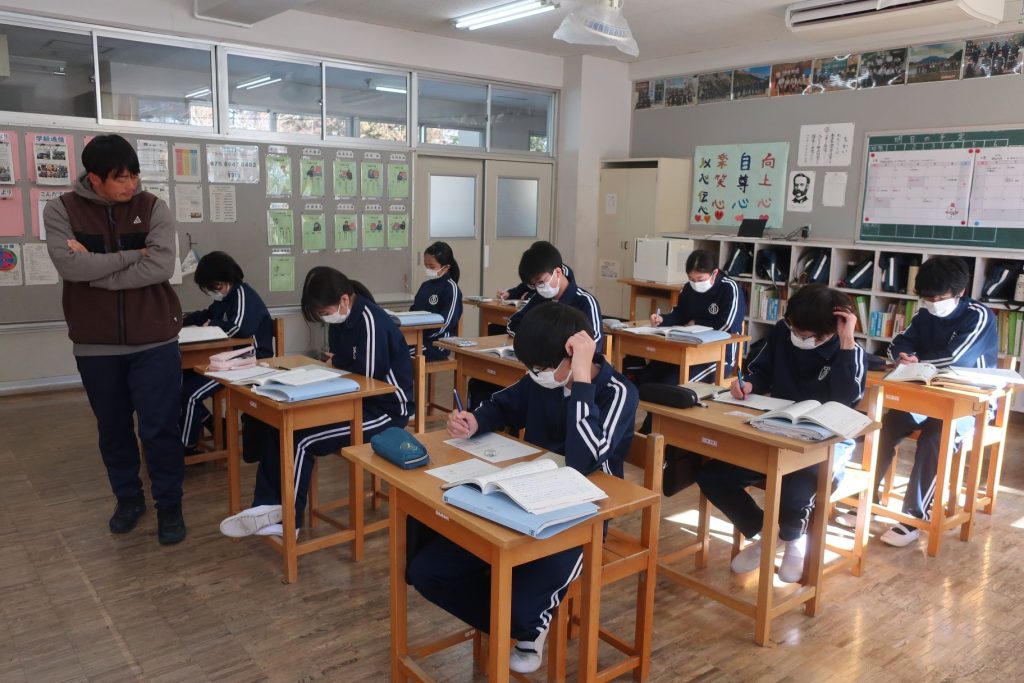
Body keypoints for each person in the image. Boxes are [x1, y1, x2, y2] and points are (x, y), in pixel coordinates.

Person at [406, 303, 638, 674]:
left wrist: (581, 381)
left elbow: (583, 461)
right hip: (520, 498)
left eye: (543, 368)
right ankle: (521, 617)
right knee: (425, 571)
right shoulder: (540, 379)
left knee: (518, 605)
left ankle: (527, 619)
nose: (536, 375)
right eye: (531, 368)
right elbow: (501, 405)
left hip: (580, 518)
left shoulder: (617, 393)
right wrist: (473, 422)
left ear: (574, 354)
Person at [43, 134, 186, 545]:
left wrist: (97, 274)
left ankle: (170, 505)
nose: (131, 184)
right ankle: (128, 500)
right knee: (114, 430)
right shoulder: (61, 209)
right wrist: (132, 255)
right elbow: (70, 267)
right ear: (95, 178)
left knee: (160, 429)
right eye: (121, 178)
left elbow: (160, 266)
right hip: (96, 345)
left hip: (154, 340)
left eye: (134, 175)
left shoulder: (153, 207)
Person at [219, 267, 413, 538]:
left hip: (385, 410)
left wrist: (337, 367)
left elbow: (368, 381)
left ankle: (289, 521)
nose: (324, 318)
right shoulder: (341, 320)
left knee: (302, 440)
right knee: (279, 428)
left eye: (324, 312)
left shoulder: (371, 322)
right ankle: (266, 506)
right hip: (351, 403)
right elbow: (340, 364)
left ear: (344, 300)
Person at [696, 285, 865, 583]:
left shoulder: (848, 350)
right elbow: (760, 371)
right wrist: (749, 384)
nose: (799, 337)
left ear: (832, 330)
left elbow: (845, 400)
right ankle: (767, 535)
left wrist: (847, 340)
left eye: (809, 336)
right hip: (776, 430)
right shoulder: (782, 334)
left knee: (794, 492)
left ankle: (794, 541)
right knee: (713, 476)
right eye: (795, 330)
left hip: (826, 442)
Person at [873, 256, 997, 547]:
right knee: (886, 425)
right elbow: (899, 342)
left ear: (960, 292)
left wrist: (918, 361)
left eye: (939, 298)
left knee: (935, 438)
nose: (933, 303)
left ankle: (913, 517)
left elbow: (957, 358)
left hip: (971, 403)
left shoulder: (980, 315)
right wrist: (903, 356)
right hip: (926, 396)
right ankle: (867, 496)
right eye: (927, 298)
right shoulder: (924, 313)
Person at [179, 251, 273, 453]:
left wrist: (213, 324)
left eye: (216, 286)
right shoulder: (225, 297)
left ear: (227, 280)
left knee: (190, 395)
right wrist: (183, 320)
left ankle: (184, 447)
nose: (214, 292)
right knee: (177, 385)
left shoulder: (243, 295)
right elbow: (208, 314)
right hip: (226, 361)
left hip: (249, 363)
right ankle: (215, 426)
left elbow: (240, 329)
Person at [641, 249, 746, 383]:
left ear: (714, 273)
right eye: (691, 279)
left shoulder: (730, 288)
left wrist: (696, 323)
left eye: (700, 279)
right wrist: (663, 319)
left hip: (719, 357)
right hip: (687, 350)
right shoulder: (688, 288)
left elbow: (727, 324)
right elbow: (680, 314)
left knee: (673, 383)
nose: (696, 283)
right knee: (647, 376)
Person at [506, 242, 601, 347]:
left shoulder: (585, 302)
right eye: (534, 285)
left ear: (558, 273)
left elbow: (593, 343)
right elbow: (513, 324)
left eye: (541, 282)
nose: (538, 288)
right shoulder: (539, 298)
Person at [412, 241, 463, 360]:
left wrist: (422, 334)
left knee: (401, 352)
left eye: (432, 266)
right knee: (393, 346)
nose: (428, 269)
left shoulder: (451, 288)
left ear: (446, 267)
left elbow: (447, 322)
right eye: (426, 265)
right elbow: (414, 311)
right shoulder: (425, 286)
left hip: (438, 343)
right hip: (420, 337)